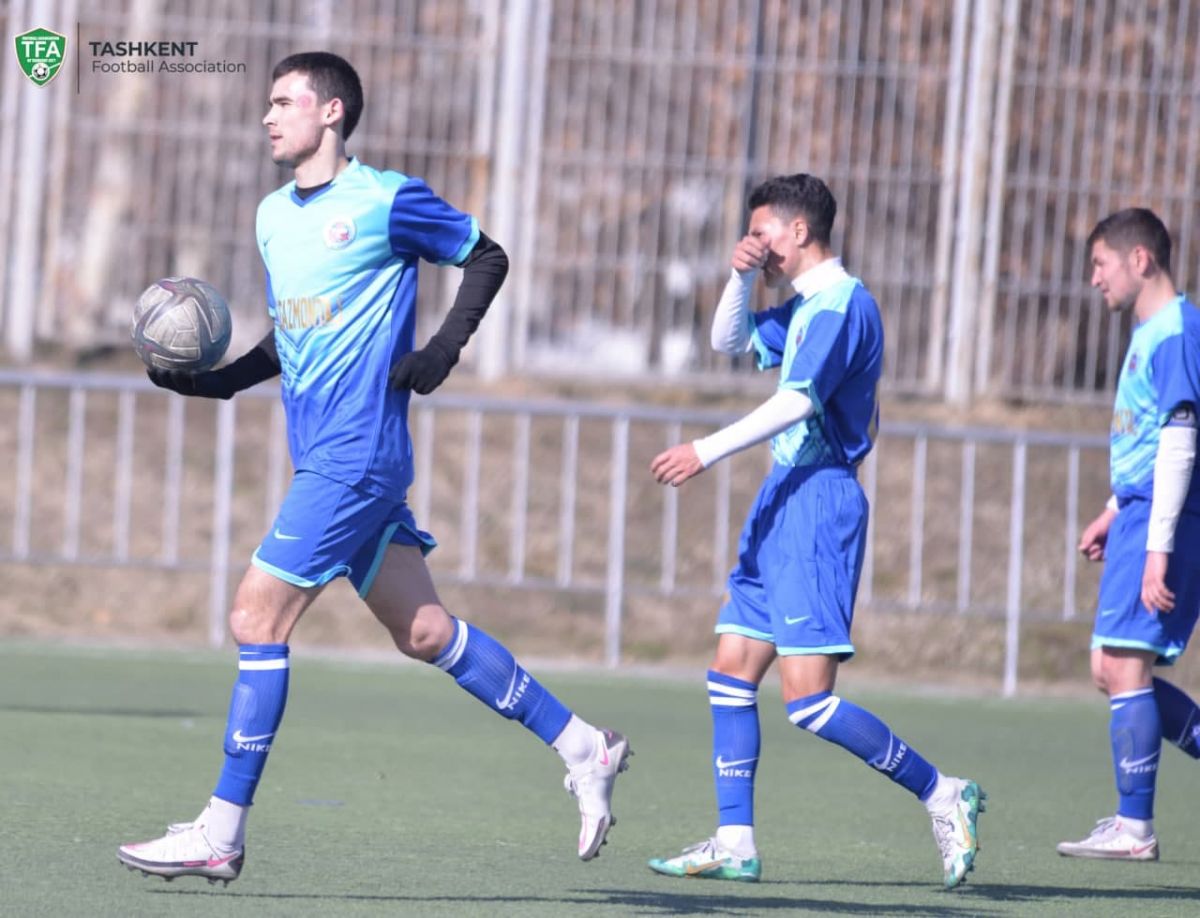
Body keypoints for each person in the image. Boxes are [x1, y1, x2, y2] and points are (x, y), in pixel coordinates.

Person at [116, 51, 630, 885]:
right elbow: (294, 335)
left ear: (331, 112)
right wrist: (216, 383)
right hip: (327, 458)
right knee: (425, 632)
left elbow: (487, 256)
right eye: (267, 103)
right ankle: (585, 747)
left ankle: (220, 831)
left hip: (357, 455)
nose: (267, 116)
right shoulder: (272, 217)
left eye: (283, 102)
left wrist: (441, 351)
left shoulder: (387, 199)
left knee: (256, 619)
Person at [646, 174, 984, 889]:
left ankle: (941, 791)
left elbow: (797, 402)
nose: (758, 241)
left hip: (819, 500)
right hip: (782, 496)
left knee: (809, 700)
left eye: (764, 231)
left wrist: (703, 450)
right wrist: (740, 277)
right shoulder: (803, 308)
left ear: (799, 232)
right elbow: (726, 340)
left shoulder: (839, 307)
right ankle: (735, 841)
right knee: (731, 671)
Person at [1056, 208, 1200, 861]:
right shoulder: (1152, 331)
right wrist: (1116, 509)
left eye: (1100, 264)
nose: (1094, 279)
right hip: (1140, 512)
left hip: (1164, 519)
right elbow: (1147, 436)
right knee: (1110, 669)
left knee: (1122, 664)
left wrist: (1157, 547)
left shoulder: (1174, 330)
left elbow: (1179, 439)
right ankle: (1131, 822)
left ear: (1139, 260)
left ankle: (1134, 827)